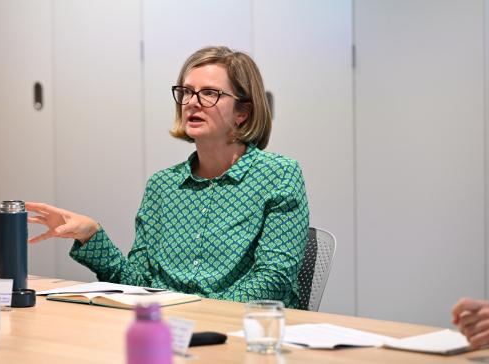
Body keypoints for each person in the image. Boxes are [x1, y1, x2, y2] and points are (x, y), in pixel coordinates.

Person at [26, 46, 309, 308]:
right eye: (186, 92)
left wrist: (203, 313)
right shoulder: (163, 186)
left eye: (210, 93)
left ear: (242, 113)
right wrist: (91, 235)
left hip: (240, 332)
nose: (192, 102)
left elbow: (274, 279)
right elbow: (137, 283)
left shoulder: (279, 175)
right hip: (167, 327)